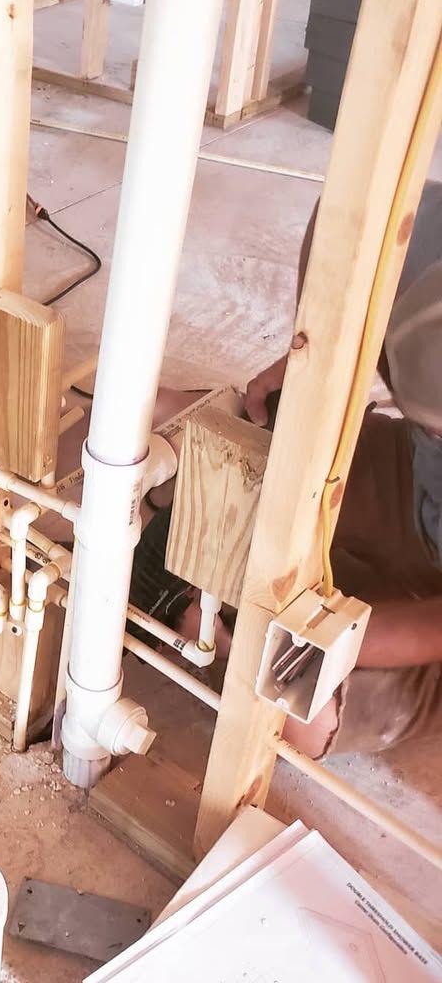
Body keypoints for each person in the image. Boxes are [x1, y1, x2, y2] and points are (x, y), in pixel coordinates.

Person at [137, 181, 442, 758]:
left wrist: (299, 633)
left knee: (295, 696)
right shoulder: (415, 231)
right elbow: (347, 230)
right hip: (411, 488)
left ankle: (194, 616)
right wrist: (315, 360)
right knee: (208, 426)